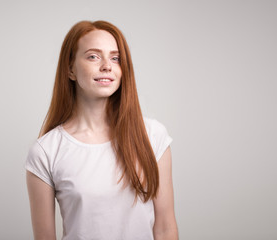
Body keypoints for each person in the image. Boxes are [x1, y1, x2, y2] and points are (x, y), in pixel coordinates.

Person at [25, 20, 178, 240]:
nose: (107, 65)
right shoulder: (46, 151)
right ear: (70, 69)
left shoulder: (153, 136)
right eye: (93, 56)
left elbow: (165, 228)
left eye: (115, 58)